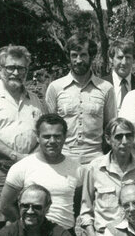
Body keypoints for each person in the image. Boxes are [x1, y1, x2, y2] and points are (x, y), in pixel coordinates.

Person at [0, 45, 43, 236]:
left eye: (21, 68)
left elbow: (42, 135)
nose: (15, 72)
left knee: (27, 225)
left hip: (27, 174)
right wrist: (15, 155)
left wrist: (29, 159)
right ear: (0, 69)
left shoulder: (35, 100)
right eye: (10, 67)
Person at [44, 34, 117, 166]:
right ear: (69, 57)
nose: (78, 60)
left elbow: (110, 127)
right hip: (62, 158)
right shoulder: (55, 87)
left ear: (91, 56)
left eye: (83, 55)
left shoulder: (106, 89)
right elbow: (48, 128)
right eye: (74, 55)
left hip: (96, 159)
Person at [1, 114, 82, 231]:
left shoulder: (77, 169)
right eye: (47, 136)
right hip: (31, 235)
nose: (52, 141)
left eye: (57, 136)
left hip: (65, 235)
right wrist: (27, 226)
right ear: (38, 137)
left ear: (65, 137)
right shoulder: (22, 167)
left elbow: (77, 206)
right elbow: (5, 206)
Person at [104, 39, 135, 110]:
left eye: (128, 57)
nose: (124, 62)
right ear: (111, 59)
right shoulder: (101, 84)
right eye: (120, 57)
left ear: (134, 60)